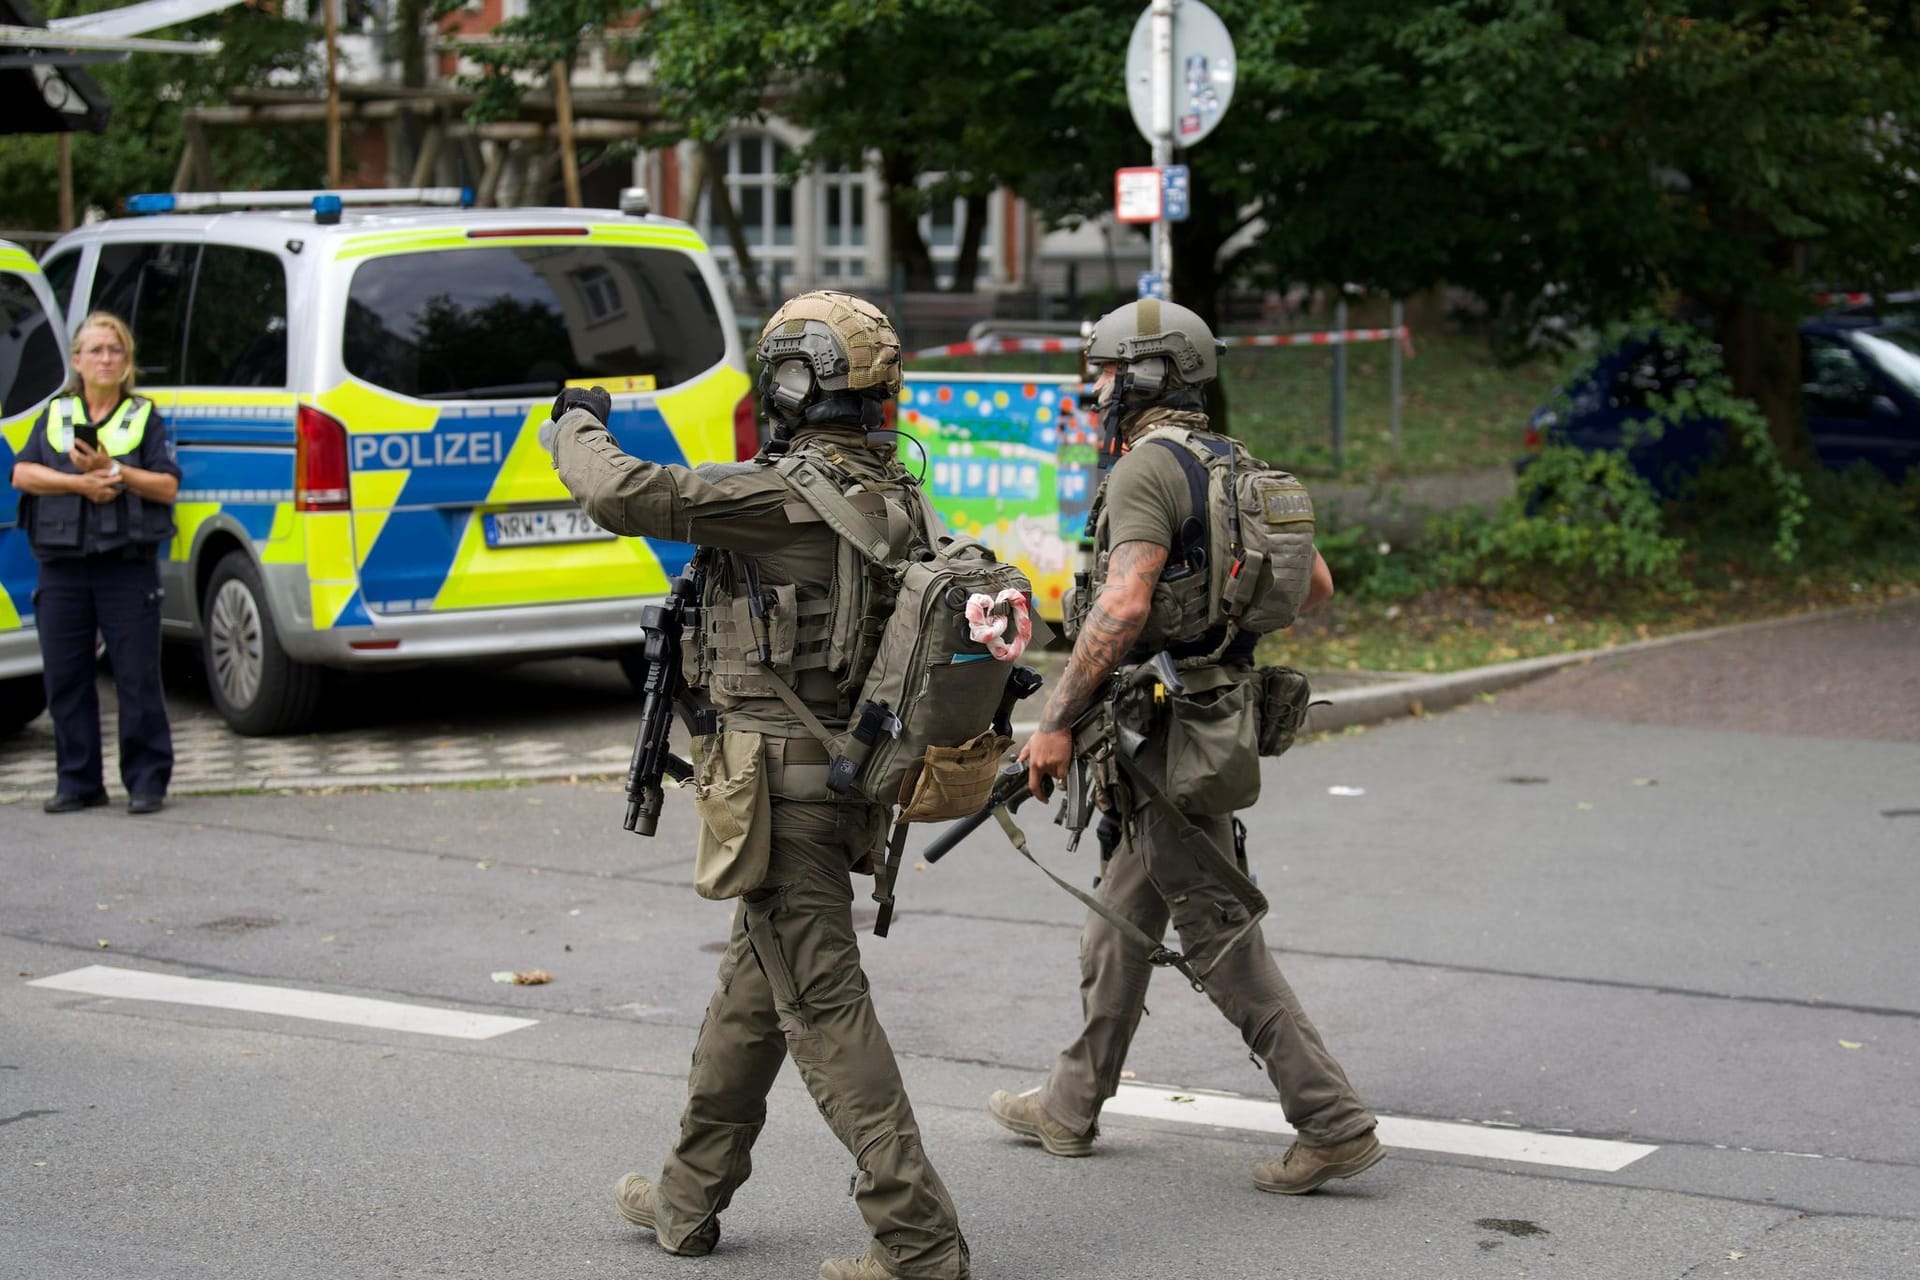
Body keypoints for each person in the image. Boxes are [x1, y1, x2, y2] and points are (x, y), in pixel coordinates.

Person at [545, 291, 969, 1280]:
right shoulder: (894, 493)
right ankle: (687, 1199)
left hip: (780, 794)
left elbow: (624, 494)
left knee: (823, 1009)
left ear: (787, 384)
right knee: (753, 994)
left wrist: (574, 420)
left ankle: (917, 1236)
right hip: (841, 782)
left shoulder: (783, 497)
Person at [985, 298, 1385, 1195]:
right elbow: (1313, 583)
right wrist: (1220, 631)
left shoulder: (1144, 472)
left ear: (1145, 376)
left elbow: (1122, 606)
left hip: (1159, 735)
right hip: (1208, 717)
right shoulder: (1237, 465)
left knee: (1214, 929)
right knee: (1119, 918)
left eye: (1104, 375)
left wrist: (1052, 722)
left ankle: (1331, 1121)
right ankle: (1069, 1104)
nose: (1095, 393)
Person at [9, 311, 179, 815]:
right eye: (96, 350)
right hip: (62, 565)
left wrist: (116, 471)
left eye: (116, 350)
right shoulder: (57, 414)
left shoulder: (143, 417)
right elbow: (22, 473)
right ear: (77, 360)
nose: (106, 358)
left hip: (124, 565)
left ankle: (147, 781)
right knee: (65, 677)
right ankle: (78, 781)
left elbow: (168, 486)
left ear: (127, 362)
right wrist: (79, 483)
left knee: (136, 677)